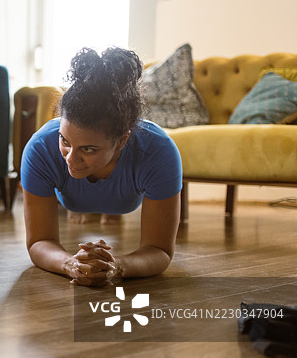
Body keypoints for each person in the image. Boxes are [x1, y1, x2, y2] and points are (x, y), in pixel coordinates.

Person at [21, 47, 182, 286]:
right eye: (65, 141)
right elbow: (38, 242)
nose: (70, 159)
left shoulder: (158, 152)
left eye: (88, 149)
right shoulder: (40, 148)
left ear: (122, 141)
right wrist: (71, 264)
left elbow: (160, 250)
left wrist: (116, 266)